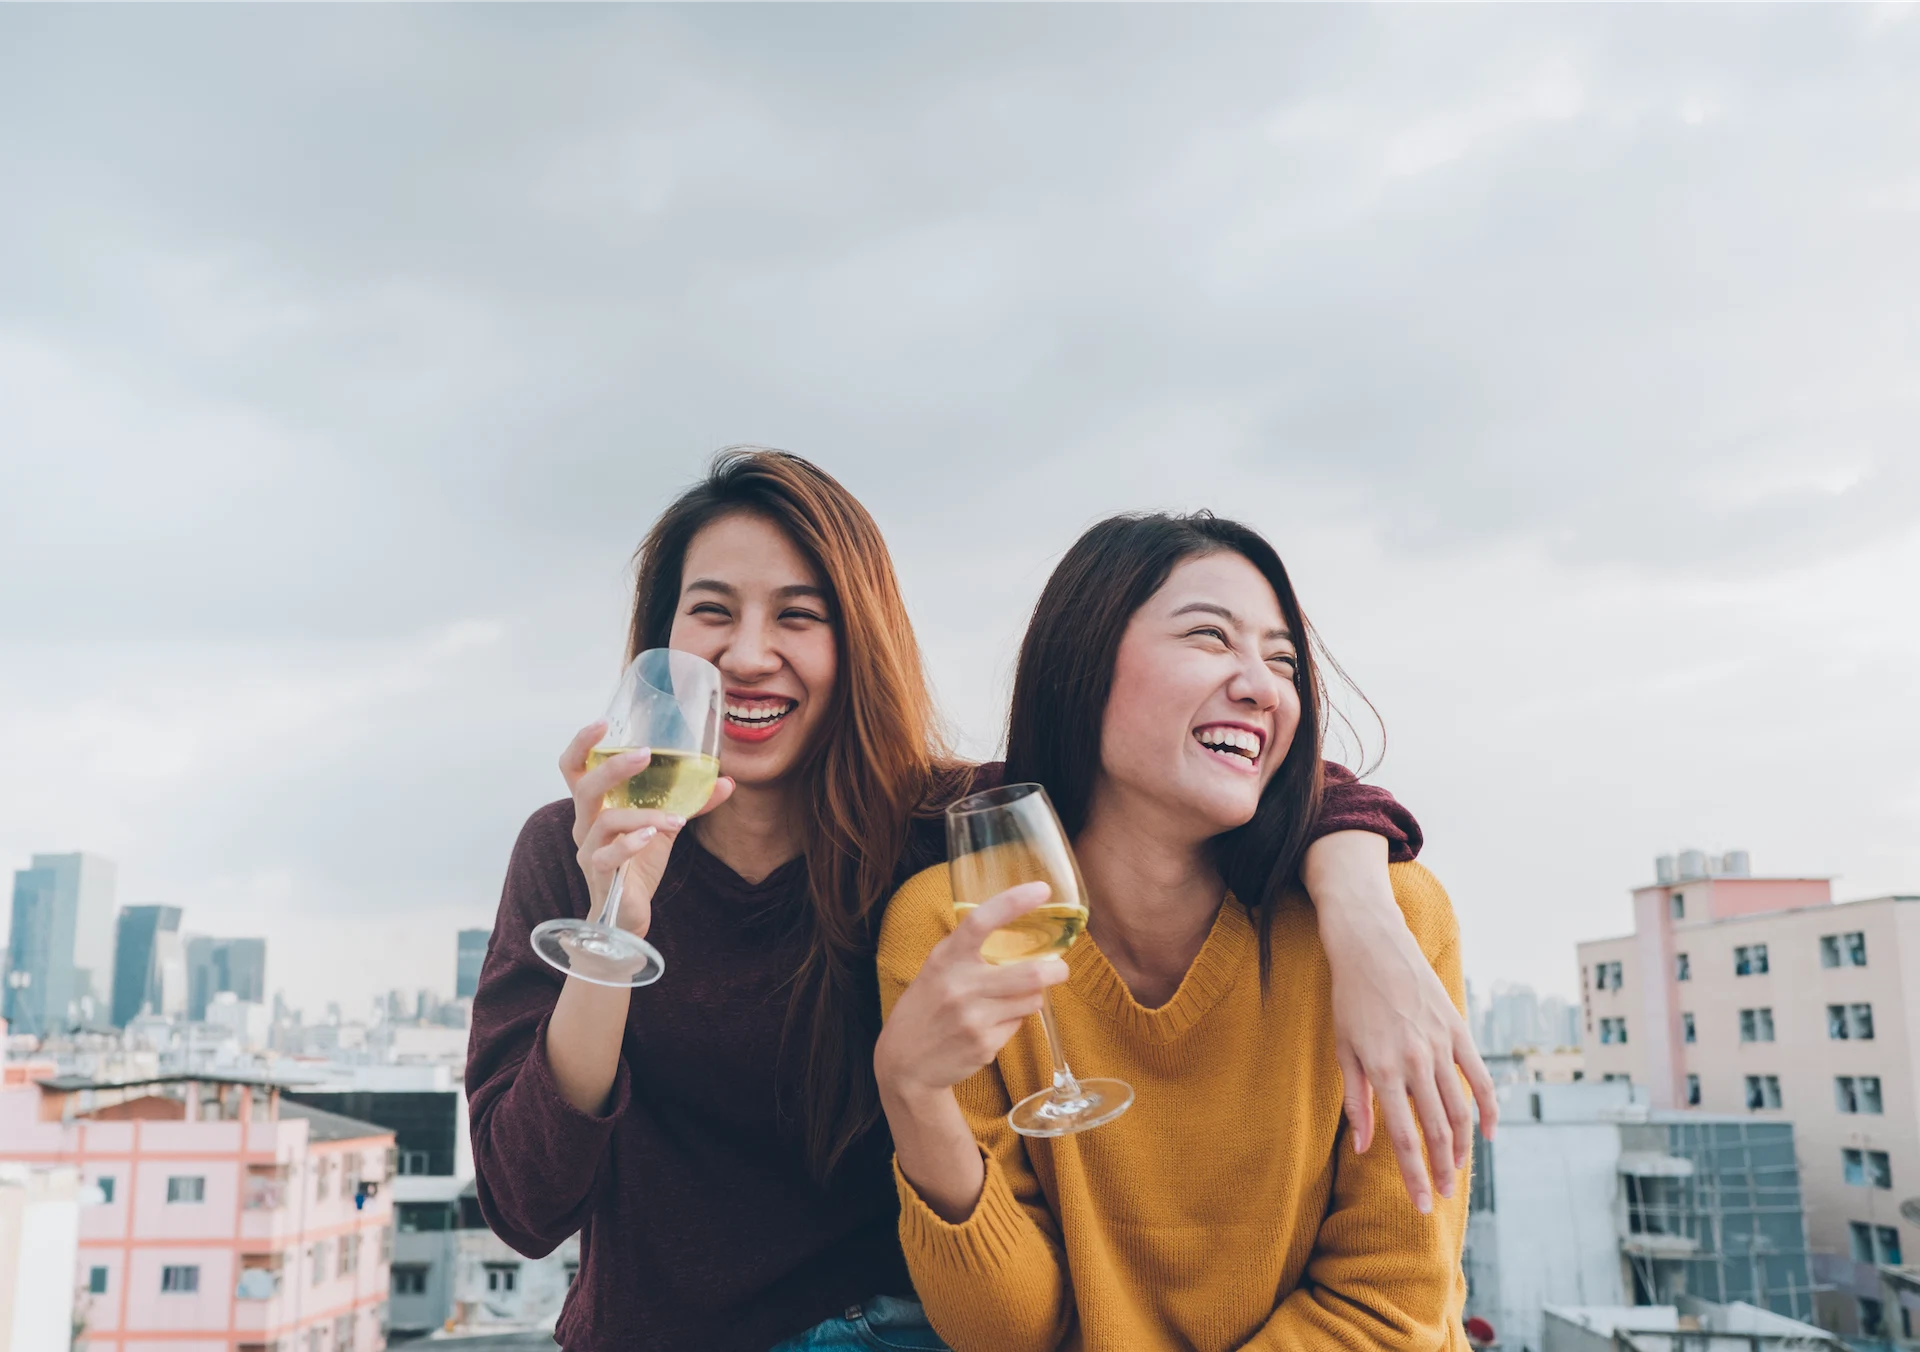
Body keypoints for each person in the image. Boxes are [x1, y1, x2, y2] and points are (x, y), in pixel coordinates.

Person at [466, 450, 1488, 1352]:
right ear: (663, 647)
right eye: (713, 611)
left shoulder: (944, 834)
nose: (748, 652)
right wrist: (614, 926)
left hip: (900, 1322)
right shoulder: (570, 848)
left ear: (858, 640)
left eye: (799, 614)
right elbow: (524, 1206)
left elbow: (1211, 775)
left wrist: (1364, 905)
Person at [874, 511, 1473, 1351]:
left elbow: (1390, 1308)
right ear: (1082, 661)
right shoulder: (956, 924)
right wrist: (912, 1094)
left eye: (1282, 660)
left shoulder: (1389, 920)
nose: (1262, 686)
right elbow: (1008, 1332)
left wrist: (1362, 910)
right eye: (1209, 637)